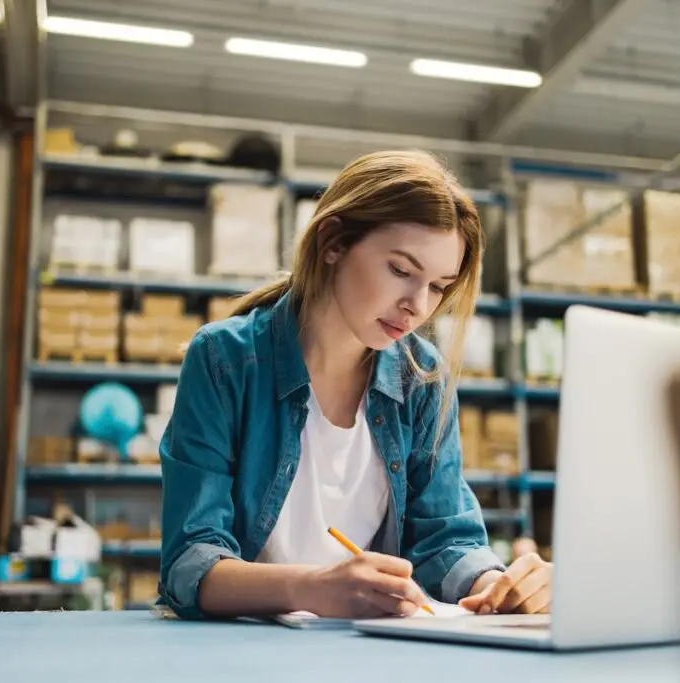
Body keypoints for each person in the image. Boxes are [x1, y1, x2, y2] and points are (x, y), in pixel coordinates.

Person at [158, 150, 553, 620]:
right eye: (401, 271)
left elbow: (444, 539)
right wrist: (313, 588)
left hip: (368, 652)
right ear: (333, 241)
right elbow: (189, 562)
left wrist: (498, 585)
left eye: (438, 286)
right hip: (242, 652)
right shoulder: (225, 360)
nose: (417, 306)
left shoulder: (421, 380)